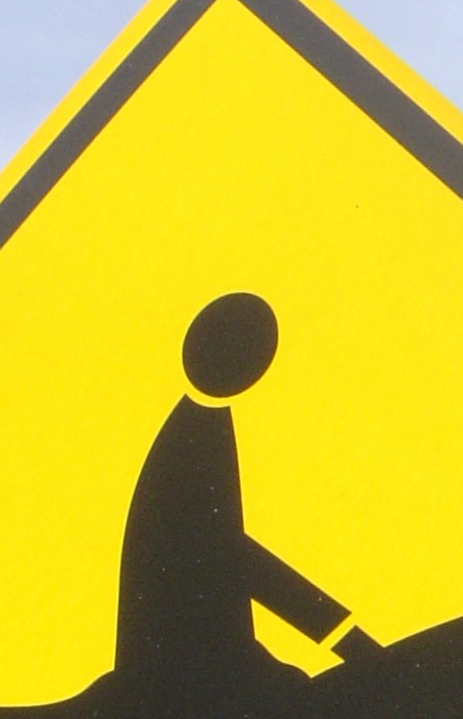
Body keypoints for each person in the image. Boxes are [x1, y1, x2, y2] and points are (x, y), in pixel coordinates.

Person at [114, 292, 378, 690]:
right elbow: (230, 554)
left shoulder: (200, 428)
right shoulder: (193, 440)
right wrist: (338, 632)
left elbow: (229, 553)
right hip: (189, 656)